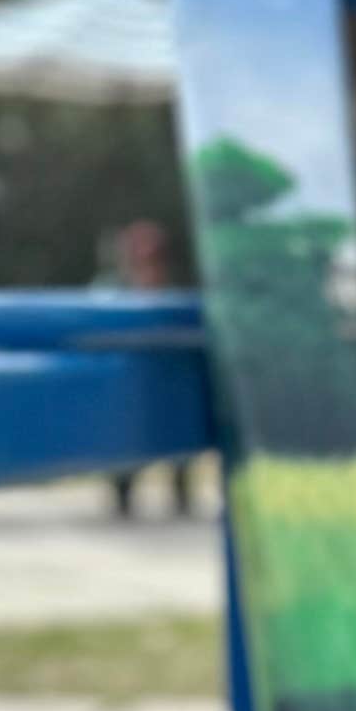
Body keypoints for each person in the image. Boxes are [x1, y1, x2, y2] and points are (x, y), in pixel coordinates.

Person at [94, 218, 198, 519]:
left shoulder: (173, 296)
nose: (146, 262)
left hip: (165, 386)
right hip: (126, 387)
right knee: (123, 448)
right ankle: (122, 497)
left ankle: (181, 496)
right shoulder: (110, 291)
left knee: (179, 442)